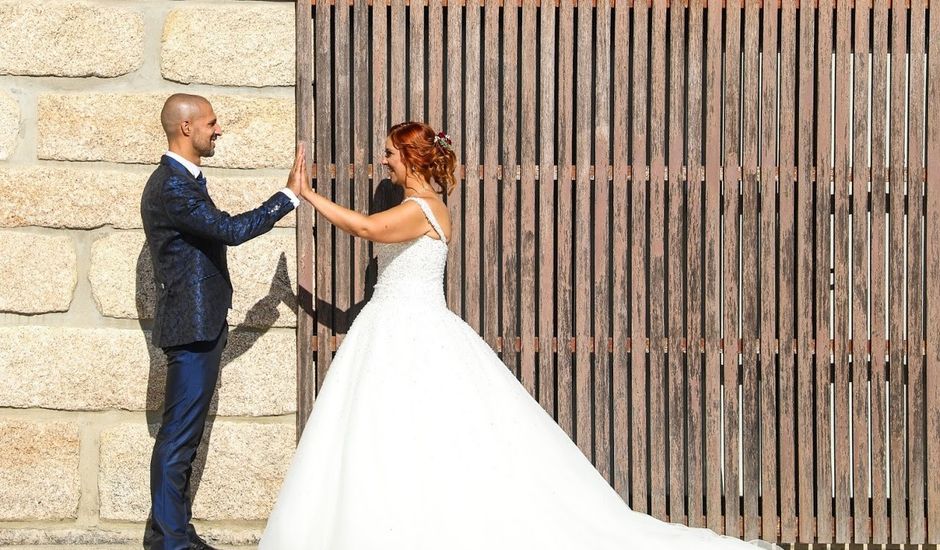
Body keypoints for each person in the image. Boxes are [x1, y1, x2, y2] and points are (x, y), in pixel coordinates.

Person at [259, 122, 778, 550]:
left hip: (412, 330)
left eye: (391, 154)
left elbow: (369, 230)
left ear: (414, 159)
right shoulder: (416, 207)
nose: (384, 162)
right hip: (389, 328)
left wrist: (308, 196)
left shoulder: (423, 210)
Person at [141, 93, 306, 550]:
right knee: (178, 438)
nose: (218, 130)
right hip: (191, 328)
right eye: (212, 123)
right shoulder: (172, 186)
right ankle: (170, 543)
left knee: (184, 438)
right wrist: (288, 196)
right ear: (186, 126)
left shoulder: (182, 180)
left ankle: (170, 531)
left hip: (201, 323)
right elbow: (230, 231)